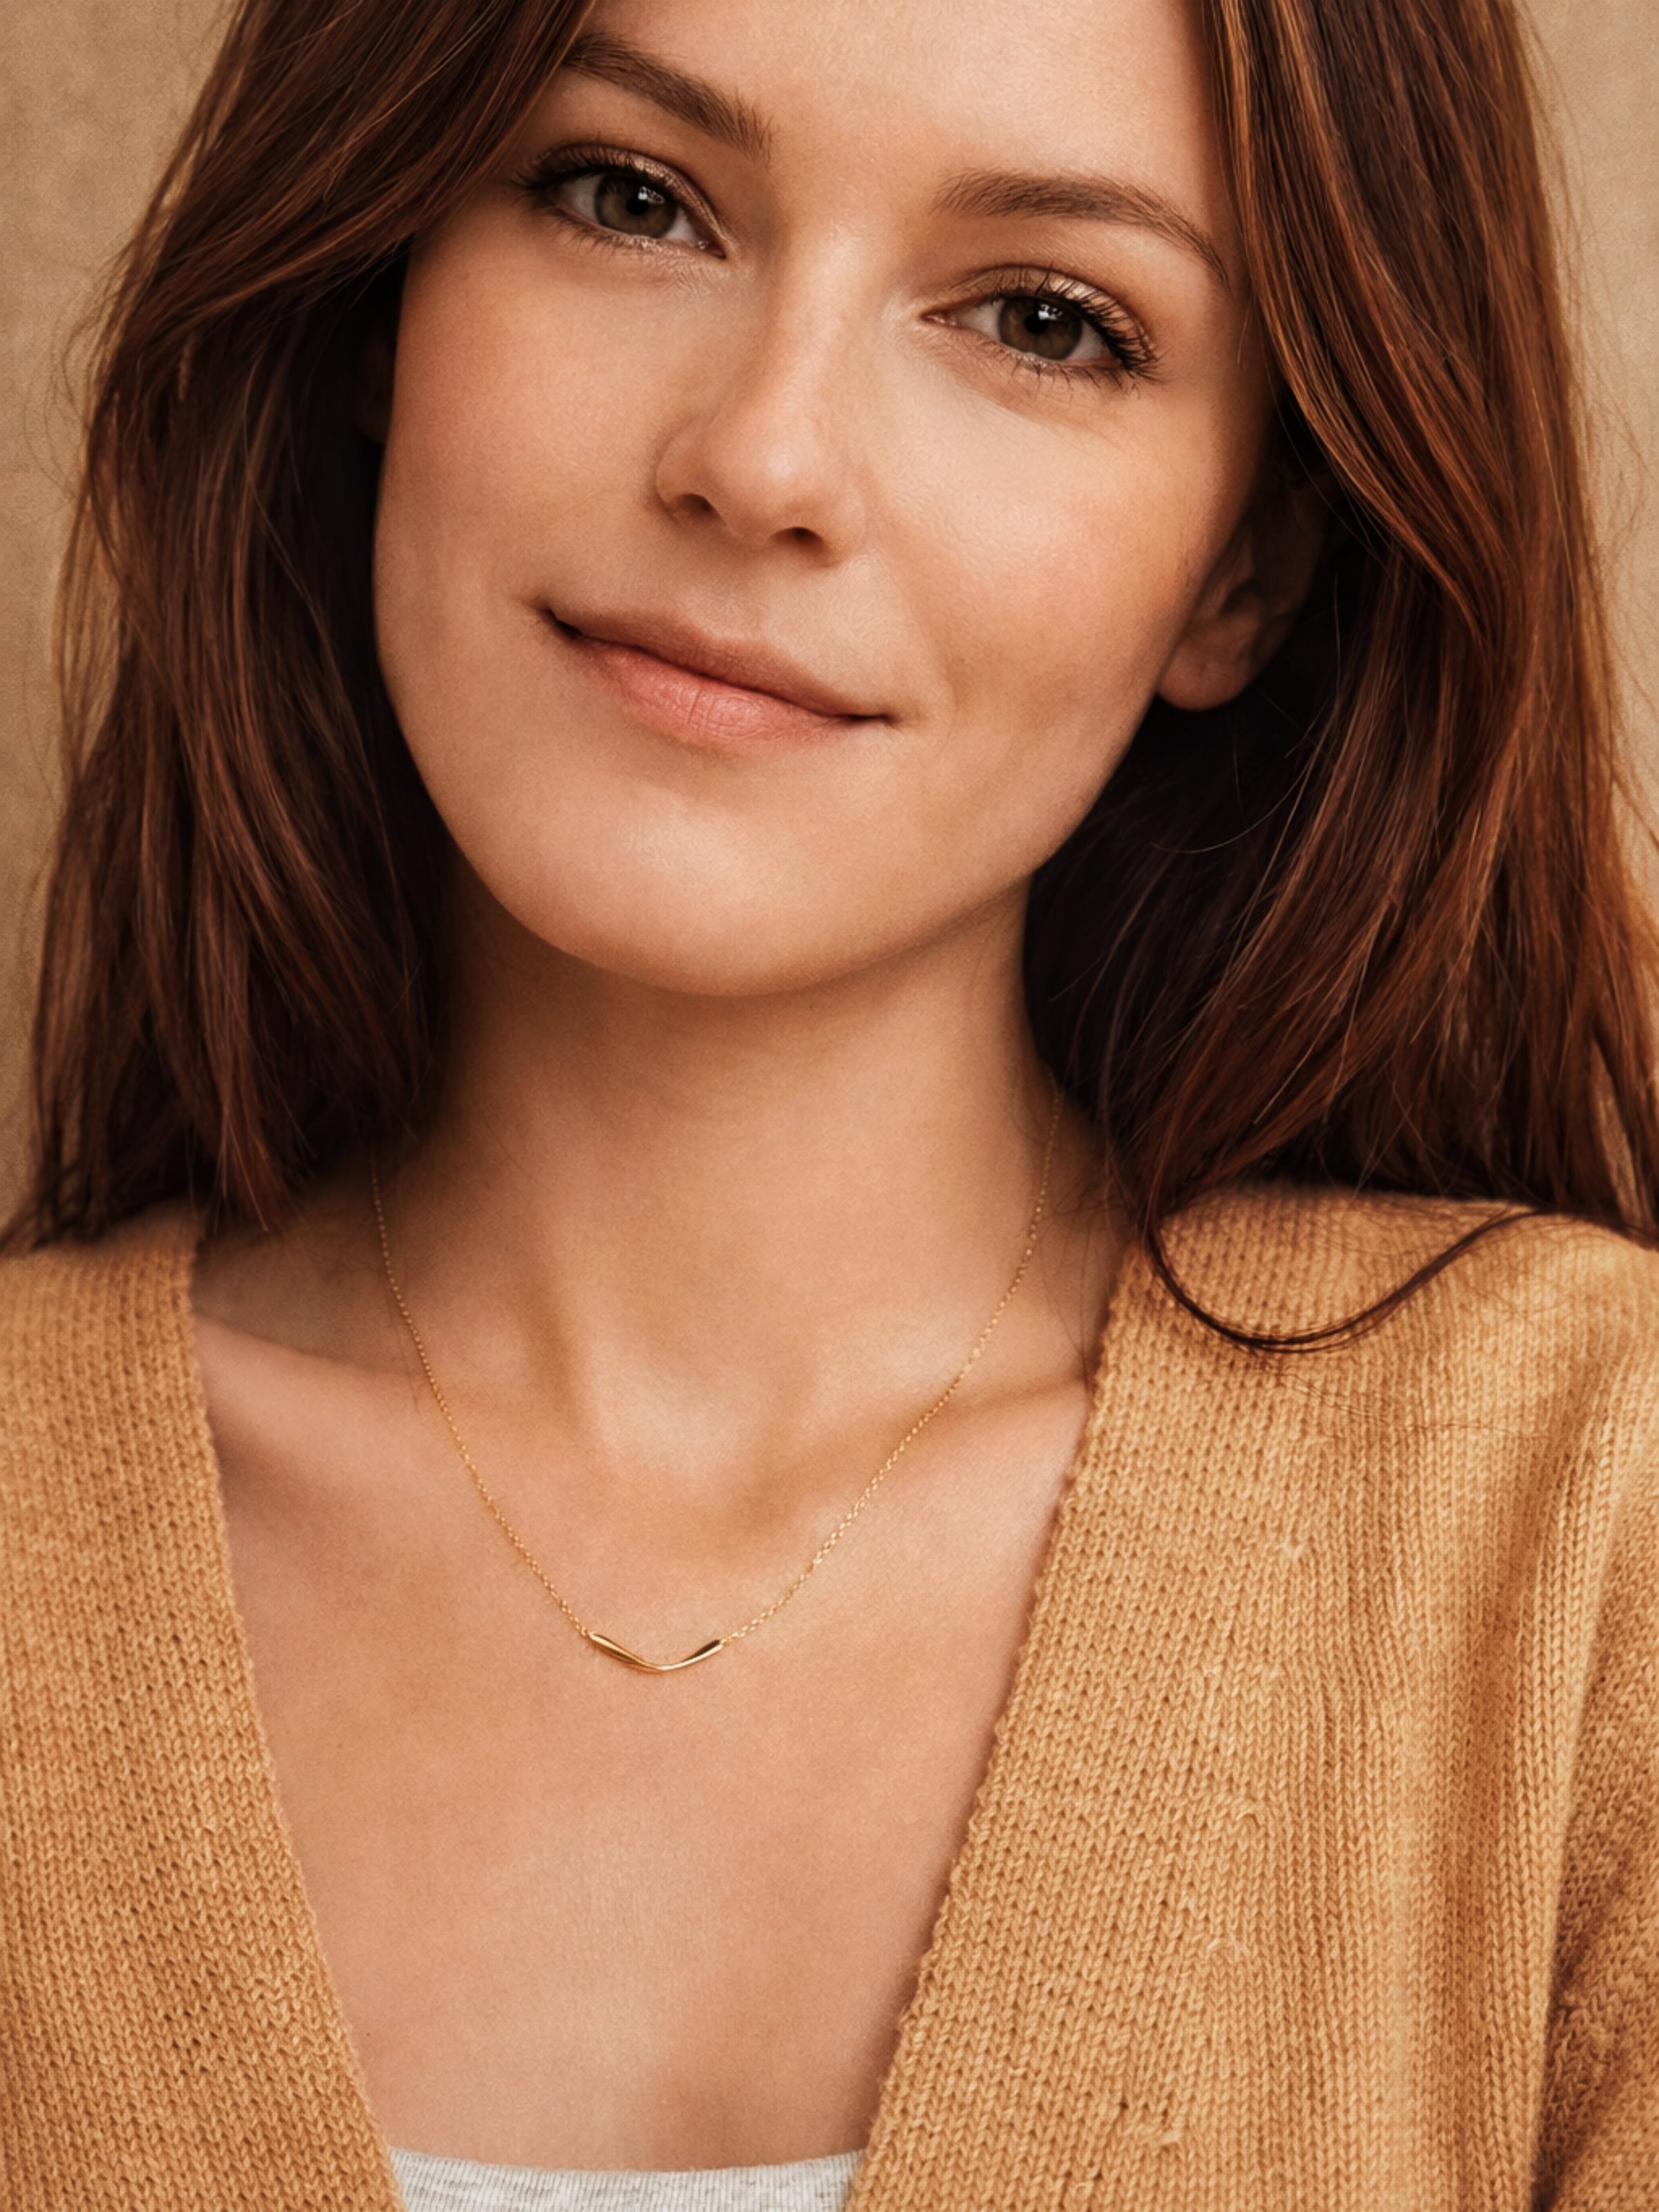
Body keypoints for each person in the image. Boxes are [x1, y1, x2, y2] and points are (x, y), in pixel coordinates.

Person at [1, 0, 1655, 2200]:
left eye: (1046, 322)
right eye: (628, 197)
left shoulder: (1589, 1538)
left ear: (1247, 567)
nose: (762, 459)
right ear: (381, 292)